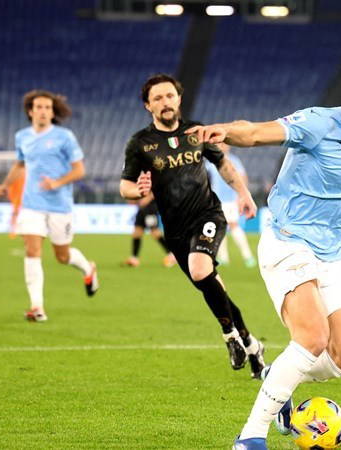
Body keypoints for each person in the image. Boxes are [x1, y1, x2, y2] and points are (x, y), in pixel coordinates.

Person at [186, 67, 341, 450]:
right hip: (289, 240)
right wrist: (225, 132)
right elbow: (257, 132)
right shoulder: (319, 122)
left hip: (334, 253)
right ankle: (250, 436)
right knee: (312, 337)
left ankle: (278, 377)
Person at [119, 74, 265, 376]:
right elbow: (125, 186)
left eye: (169, 96)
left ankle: (230, 337)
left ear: (179, 99)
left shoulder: (197, 133)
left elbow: (223, 164)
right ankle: (252, 345)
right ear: (148, 106)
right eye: (157, 98)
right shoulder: (140, 143)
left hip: (207, 214)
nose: (165, 102)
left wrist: (243, 193)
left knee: (200, 270)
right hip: (175, 230)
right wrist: (138, 191)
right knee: (214, 288)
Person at [0, 90, 99, 322]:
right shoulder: (22, 136)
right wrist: (5, 185)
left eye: (48, 108)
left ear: (52, 112)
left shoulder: (64, 137)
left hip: (60, 206)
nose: (43, 111)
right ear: (30, 111)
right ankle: (37, 307)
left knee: (62, 256)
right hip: (31, 204)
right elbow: (20, 164)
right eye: (39, 107)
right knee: (32, 251)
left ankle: (88, 268)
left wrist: (56, 183)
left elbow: (80, 170)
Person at [205, 143, 257, 267]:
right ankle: (224, 258)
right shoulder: (210, 161)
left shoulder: (234, 160)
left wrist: (241, 195)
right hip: (216, 199)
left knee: (233, 225)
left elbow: (243, 177)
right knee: (219, 228)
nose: (222, 146)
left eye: (224, 144)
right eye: (219, 144)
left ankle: (248, 256)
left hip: (230, 199)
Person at [122, 195, 176, 268]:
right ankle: (134, 258)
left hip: (150, 209)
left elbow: (154, 192)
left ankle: (171, 255)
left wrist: (147, 199)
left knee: (155, 232)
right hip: (141, 209)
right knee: (137, 233)